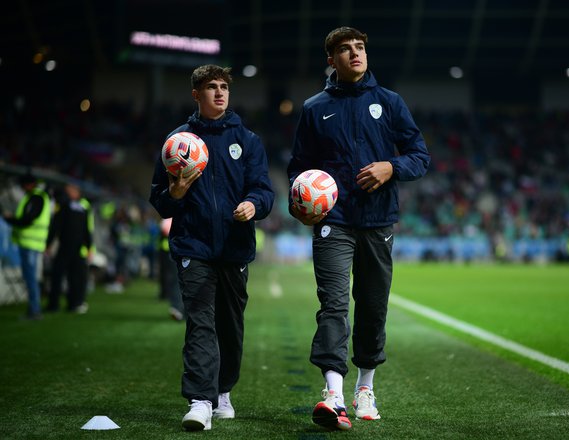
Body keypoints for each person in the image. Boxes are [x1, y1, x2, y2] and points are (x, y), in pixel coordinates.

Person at [287, 26, 430, 431]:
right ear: (330, 59)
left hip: (378, 221)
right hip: (333, 221)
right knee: (333, 305)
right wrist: (302, 202)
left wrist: (392, 167)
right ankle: (333, 392)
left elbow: (420, 155)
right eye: (346, 49)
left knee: (372, 307)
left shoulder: (389, 102)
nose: (356, 54)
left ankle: (365, 388)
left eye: (361, 47)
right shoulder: (315, 108)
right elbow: (298, 167)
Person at [149, 64, 275, 432]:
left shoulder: (248, 141)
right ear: (196, 94)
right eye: (210, 87)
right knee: (201, 324)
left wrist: (254, 204)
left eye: (224, 87)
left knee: (230, 327)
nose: (219, 93)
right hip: (194, 247)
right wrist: (174, 194)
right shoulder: (177, 143)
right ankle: (200, 400)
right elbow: (158, 199)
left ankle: (223, 392)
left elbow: (265, 190)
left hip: (235, 248)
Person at [2, 173, 51, 320]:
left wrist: (12, 221)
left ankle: (35, 311)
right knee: (30, 277)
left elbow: (29, 219)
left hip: (30, 243)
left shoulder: (36, 197)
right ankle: (34, 309)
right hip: (32, 243)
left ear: (29, 184)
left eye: (23, 185)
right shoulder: (37, 197)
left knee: (30, 277)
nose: (22, 188)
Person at [45, 182, 95, 314]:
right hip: (78, 247)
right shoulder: (82, 208)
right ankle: (74, 304)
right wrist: (89, 247)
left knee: (57, 275)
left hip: (66, 246)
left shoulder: (63, 205)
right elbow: (87, 230)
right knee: (74, 278)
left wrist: (48, 244)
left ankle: (54, 304)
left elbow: (56, 226)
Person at [158, 217, 185, 321]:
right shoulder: (168, 218)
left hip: (182, 253)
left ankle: (180, 309)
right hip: (173, 254)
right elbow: (166, 230)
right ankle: (177, 308)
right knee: (176, 280)